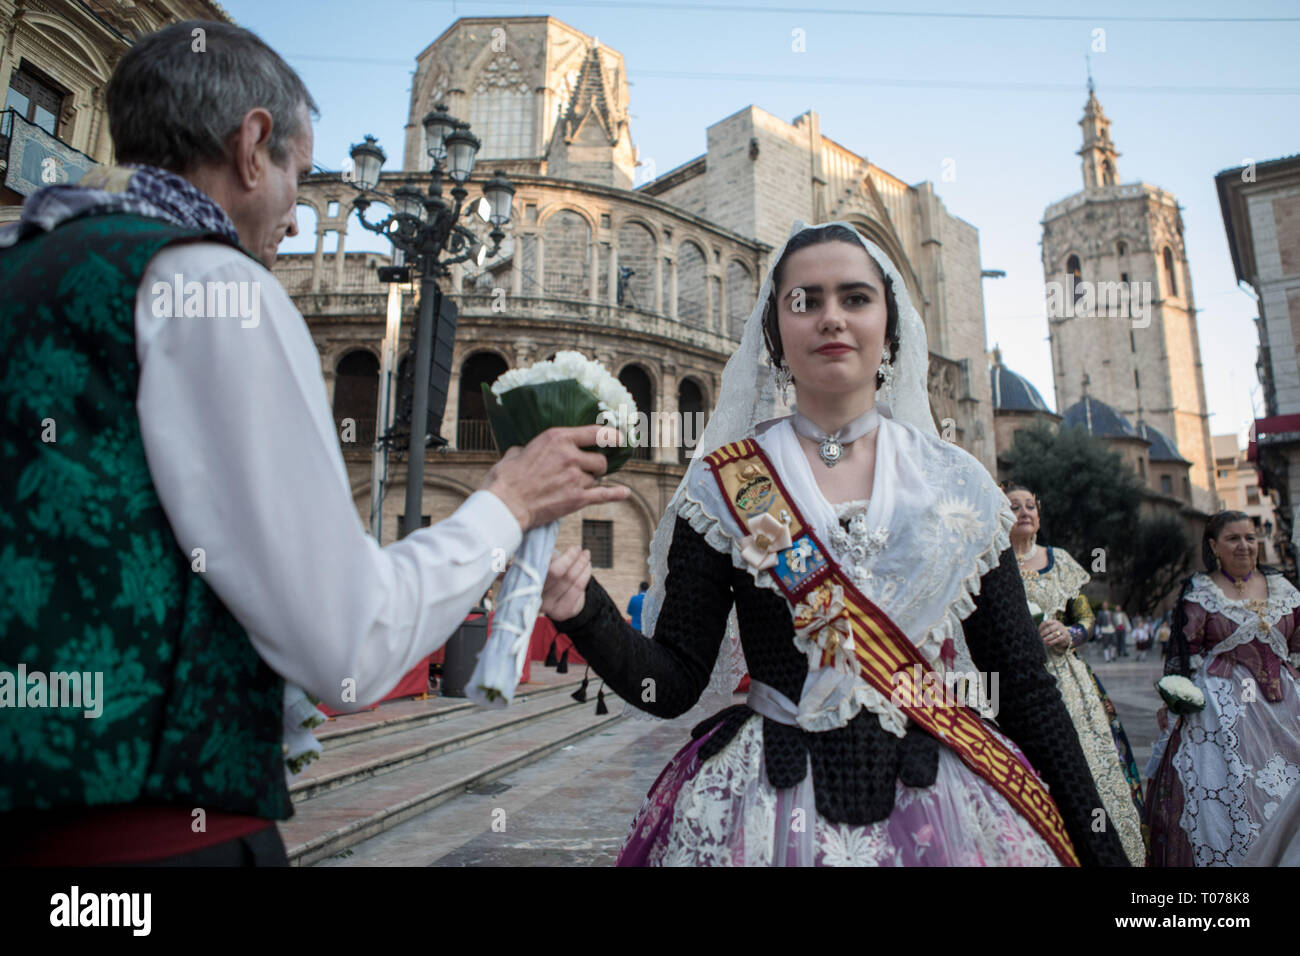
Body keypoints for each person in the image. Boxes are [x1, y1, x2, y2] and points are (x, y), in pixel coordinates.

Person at [0, 22, 627, 866]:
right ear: (252, 145)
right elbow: (347, 644)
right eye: (299, 174)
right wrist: (508, 503)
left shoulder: (21, 263)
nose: (296, 220)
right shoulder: (213, 287)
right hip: (151, 845)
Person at [540, 221, 1127, 866]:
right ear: (775, 332)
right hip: (766, 810)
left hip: (947, 805)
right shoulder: (722, 486)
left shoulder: (959, 485)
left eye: (854, 298)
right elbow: (673, 684)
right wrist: (583, 611)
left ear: (889, 326)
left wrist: (1104, 856)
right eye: (805, 301)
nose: (830, 319)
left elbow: (1021, 687)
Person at [1146, 511, 1300, 866]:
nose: (1244, 545)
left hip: (1286, 706)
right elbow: (1183, 654)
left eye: (1250, 537)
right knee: (1229, 795)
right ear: (1214, 546)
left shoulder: (1284, 589)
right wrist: (1173, 702)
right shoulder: (1201, 592)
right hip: (1221, 710)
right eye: (1233, 538)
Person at [1003, 484, 1145, 865]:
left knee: (1090, 765)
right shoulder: (991, 565)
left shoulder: (1060, 561)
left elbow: (1086, 618)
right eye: (1013, 506)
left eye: (1030, 505)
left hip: (1069, 680)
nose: (1024, 512)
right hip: (1015, 684)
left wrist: (1070, 633)